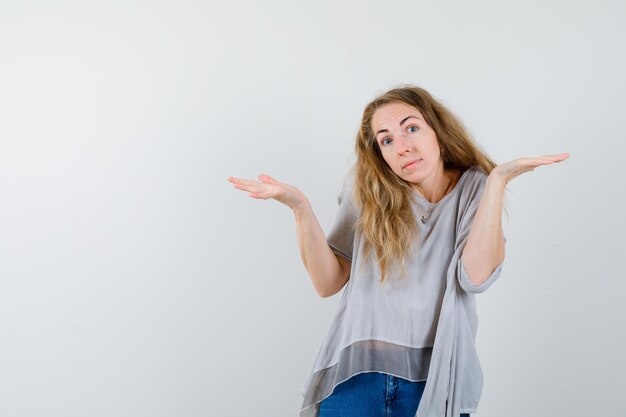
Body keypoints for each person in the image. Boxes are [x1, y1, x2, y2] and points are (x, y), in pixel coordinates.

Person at [228, 86, 569, 417]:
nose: (402, 147)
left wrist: (497, 182)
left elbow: (475, 277)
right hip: (356, 381)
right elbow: (327, 283)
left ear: (438, 131)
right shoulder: (368, 190)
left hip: (436, 383)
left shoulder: (475, 185)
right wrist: (300, 207)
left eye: (411, 128)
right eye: (387, 139)